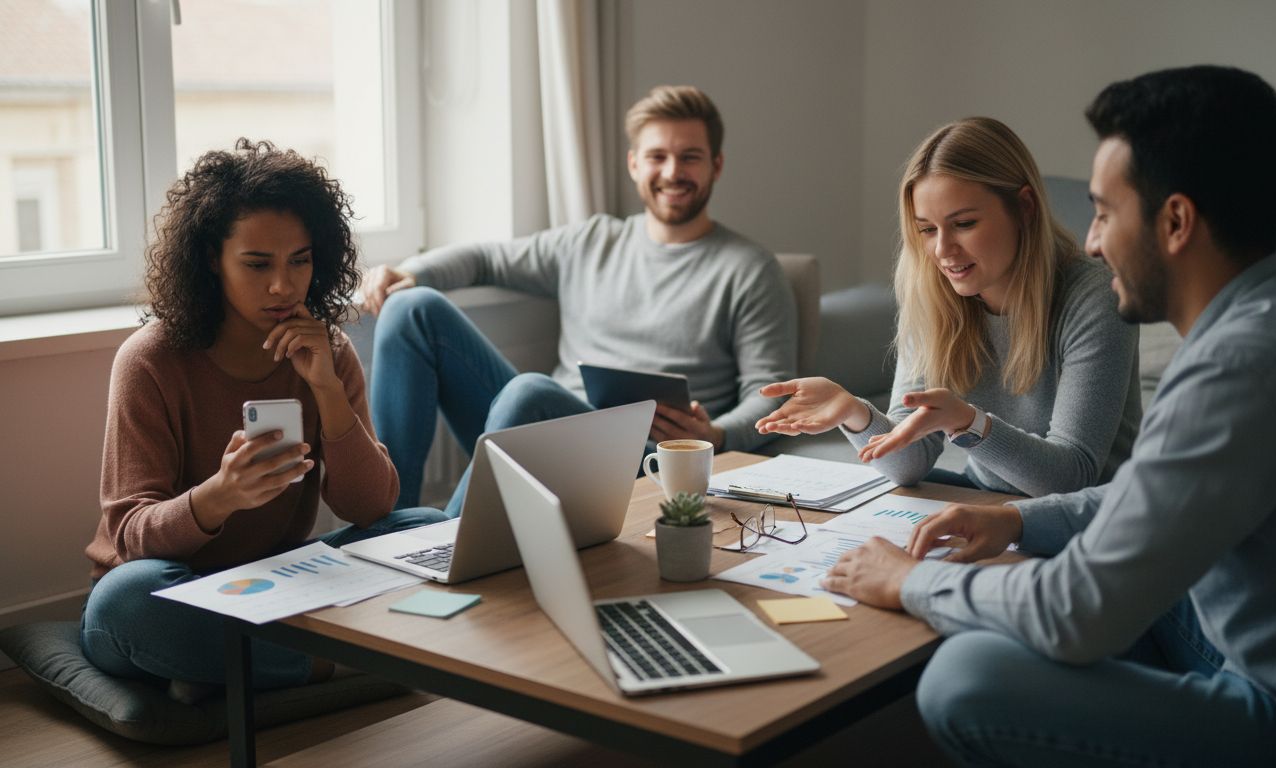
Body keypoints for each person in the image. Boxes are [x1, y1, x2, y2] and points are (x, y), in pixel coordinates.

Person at [824, 66, 1276, 767]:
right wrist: (1013, 520)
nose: (1093, 240)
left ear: (1176, 221)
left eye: (1104, 211)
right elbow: (1147, 503)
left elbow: (1077, 614)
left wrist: (911, 582)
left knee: (962, 678)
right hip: (1247, 630)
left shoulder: (1232, 373)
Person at [80, 140, 446, 698]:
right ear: (211, 259)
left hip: (275, 582)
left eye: (299, 260)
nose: (283, 285)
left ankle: (229, 671)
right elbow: (130, 539)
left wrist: (325, 387)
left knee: (426, 527)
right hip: (171, 585)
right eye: (257, 264)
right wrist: (219, 496)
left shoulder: (329, 351)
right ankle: (328, 667)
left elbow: (372, 508)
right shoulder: (149, 361)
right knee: (124, 603)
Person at [361, 85, 797, 512]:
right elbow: (485, 258)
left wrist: (715, 434)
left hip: (643, 460)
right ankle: (393, 515)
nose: (671, 172)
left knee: (529, 393)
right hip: (531, 427)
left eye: (690, 157)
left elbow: (772, 392)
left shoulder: (750, 269)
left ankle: (436, 546)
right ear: (633, 164)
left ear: (716, 165)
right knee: (409, 307)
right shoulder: (591, 241)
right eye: (656, 157)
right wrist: (411, 272)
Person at [756, 117, 1140, 498]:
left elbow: (1072, 477)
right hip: (989, 506)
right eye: (927, 229)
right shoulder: (933, 294)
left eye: (964, 223)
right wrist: (854, 413)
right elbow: (908, 466)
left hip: (1091, 523)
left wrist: (968, 423)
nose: (942, 251)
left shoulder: (1095, 297)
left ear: (1024, 208)